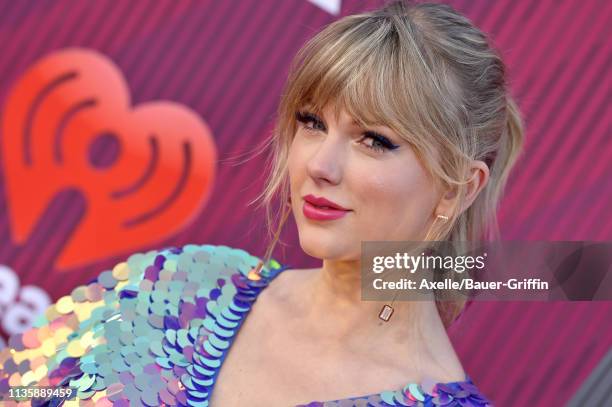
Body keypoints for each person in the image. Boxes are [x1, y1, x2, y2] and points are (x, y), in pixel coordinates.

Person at [0, 0, 524, 405]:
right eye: (312, 122)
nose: (321, 164)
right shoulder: (183, 288)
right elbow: (20, 390)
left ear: (457, 189)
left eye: (374, 140)